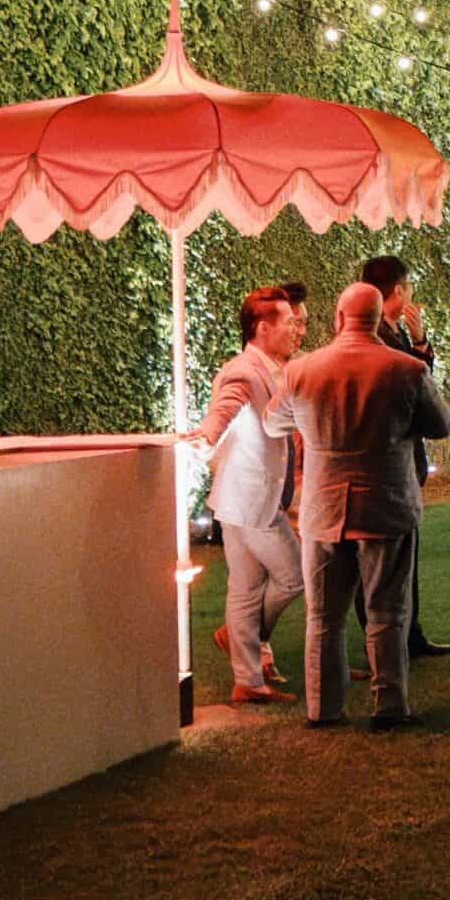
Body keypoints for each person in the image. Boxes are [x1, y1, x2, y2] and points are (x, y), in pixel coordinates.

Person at [261, 282, 450, 729]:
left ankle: (323, 708)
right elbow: (441, 424)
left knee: (324, 615)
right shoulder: (405, 369)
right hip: (387, 504)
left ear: (339, 318)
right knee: (387, 612)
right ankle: (390, 705)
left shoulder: (303, 371)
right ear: (376, 316)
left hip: (323, 509)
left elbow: (272, 423)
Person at [191, 284, 307, 705]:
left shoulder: (270, 366)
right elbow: (225, 406)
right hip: (252, 497)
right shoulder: (243, 369)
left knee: (245, 587)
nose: (296, 328)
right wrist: (207, 433)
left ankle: (248, 681)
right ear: (263, 328)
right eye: (289, 322)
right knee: (294, 577)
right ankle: (244, 642)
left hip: (238, 498)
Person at [358, 255, 450, 658]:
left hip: (403, 459)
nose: (412, 293)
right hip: (386, 463)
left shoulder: (393, 329)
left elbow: (417, 375)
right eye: (409, 286)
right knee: (383, 564)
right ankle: (390, 641)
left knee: (403, 556)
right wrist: (416, 350)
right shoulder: (375, 334)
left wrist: (419, 344)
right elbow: (412, 387)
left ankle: (409, 633)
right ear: (398, 291)